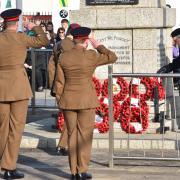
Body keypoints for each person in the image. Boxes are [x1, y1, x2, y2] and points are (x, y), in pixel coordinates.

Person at [54, 27, 117, 179]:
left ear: (74, 39)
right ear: (86, 40)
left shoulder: (63, 57)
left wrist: (60, 100)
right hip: (86, 100)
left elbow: (59, 82)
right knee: (84, 136)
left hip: (68, 100)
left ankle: (73, 171)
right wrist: (97, 45)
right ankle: (82, 170)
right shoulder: (91, 55)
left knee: (71, 135)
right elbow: (112, 57)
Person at [0, 8, 48, 179]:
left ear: (4, 22)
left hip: (1, 87)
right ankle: (9, 167)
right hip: (19, 87)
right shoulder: (21, 38)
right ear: (17, 22)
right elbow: (43, 40)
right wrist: (33, 26)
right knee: (16, 129)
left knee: (2, 128)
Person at [48, 23, 81, 156]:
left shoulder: (58, 45)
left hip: (60, 86)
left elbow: (51, 67)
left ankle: (62, 146)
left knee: (70, 118)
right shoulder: (71, 46)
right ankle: (62, 146)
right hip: (69, 87)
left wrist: (53, 86)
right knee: (71, 119)